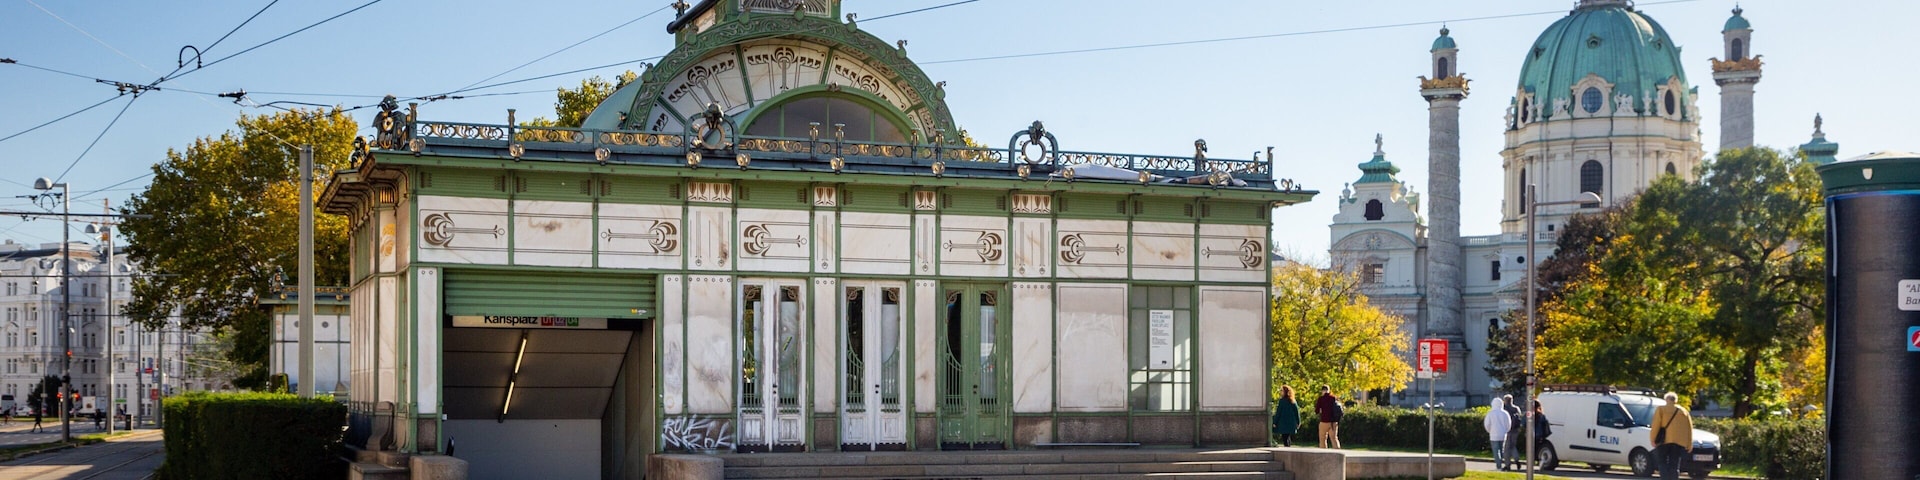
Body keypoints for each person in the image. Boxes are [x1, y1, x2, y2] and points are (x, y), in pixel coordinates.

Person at [1649, 392, 1693, 480]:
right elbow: (1689, 428)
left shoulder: (1661, 409)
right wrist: (1689, 444)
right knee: (1674, 464)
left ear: (1666, 399)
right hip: (1679, 442)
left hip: (1664, 440)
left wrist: (1652, 439)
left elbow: (1656, 425)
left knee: (1662, 462)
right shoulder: (1684, 411)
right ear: (1675, 400)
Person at [1483, 397, 1513, 470]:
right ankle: (1503, 463)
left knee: (1496, 451)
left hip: (1493, 435)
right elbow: (1508, 424)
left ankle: (1498, 465)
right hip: (1503, 435)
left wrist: (1490, 431)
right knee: (1502, 450)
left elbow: (1487, 424)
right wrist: (1505, 431)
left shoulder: (1490, 413)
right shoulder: (1505, 413)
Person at [1502, 394, 1524, 467]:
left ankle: (1507, 465)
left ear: (1505, 401)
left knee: (1506, 448)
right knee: (1513, 446)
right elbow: (1520, 418)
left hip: (1507, 430)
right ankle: (1517, 459)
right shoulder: (1516, 408)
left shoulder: (1504, 409)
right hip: (1515, 430)